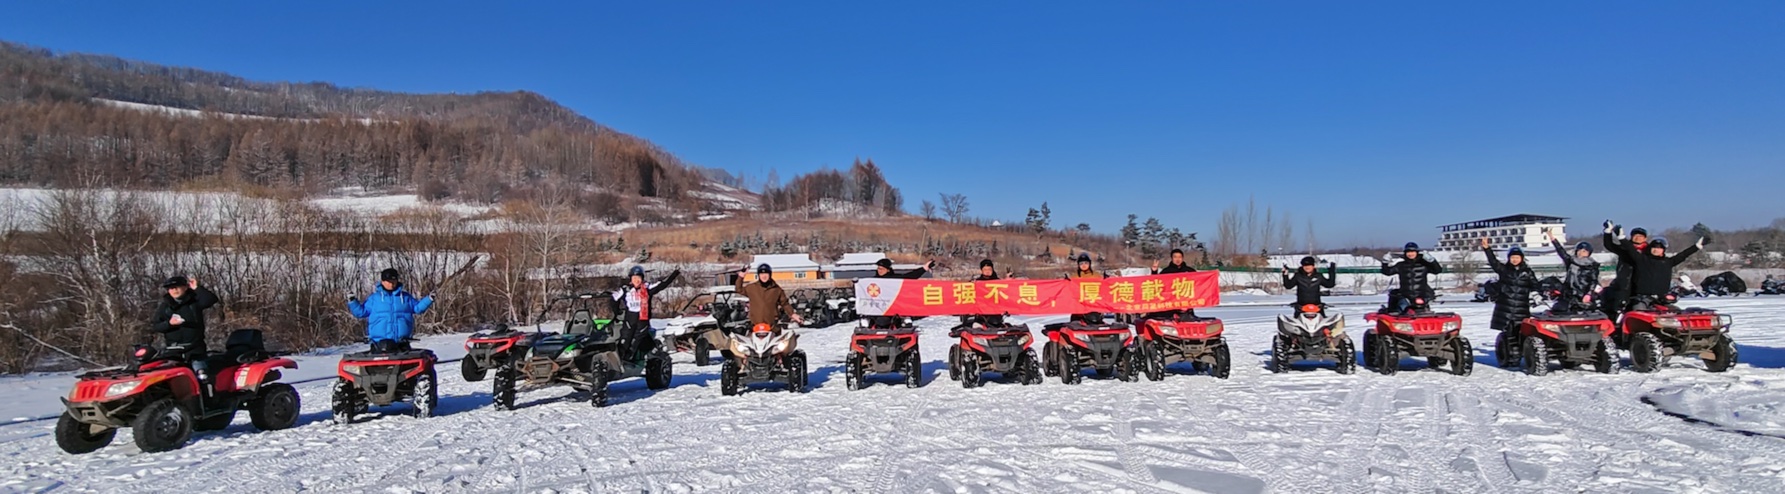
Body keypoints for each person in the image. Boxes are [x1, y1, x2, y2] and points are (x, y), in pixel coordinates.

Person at [349, 268, 434, 353]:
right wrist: (352, 301)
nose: (391, 284)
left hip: (401, 343)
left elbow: (418, 308)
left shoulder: (405, 297)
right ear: (382, 282)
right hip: (379, 343)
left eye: (393, 281)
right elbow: (361, 312)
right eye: (388, 281)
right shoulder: (374, 299)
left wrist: (429, 299)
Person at [1606, 235, 1703, 308]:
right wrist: (1622, 238)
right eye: (1654, 248)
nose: (1656, 250)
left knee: (1675, 313)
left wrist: (1696, 246)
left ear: (1663, 250)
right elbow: (1630, 249)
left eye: (1659, 248)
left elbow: (1683, 255)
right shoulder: (1641, 259)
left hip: (1661, 299)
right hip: (1642, 298)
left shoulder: (1668, 262)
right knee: (1638, 313)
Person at [611, 265, 680, 361]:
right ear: (630, 279)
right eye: (634, 278)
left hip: (642, 320)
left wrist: (675, 274)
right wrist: (616, 312)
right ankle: (619, 360)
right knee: (624, 341)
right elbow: (613, 299)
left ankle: (631, 360)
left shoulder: (647, 288)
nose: (636, 280)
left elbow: (662, 284)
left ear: (642, 278)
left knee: (635, 342)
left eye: (639, 278)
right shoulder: (625, 290)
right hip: (630, 319)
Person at [150, 276, 219, 368]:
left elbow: (211, 300)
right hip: (174, 351)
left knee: (200, 372)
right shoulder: (165, 306)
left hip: (195, 350)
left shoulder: (194, 301)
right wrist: (169, 324)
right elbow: (156, 326)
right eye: (171, 288)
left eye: (177, 287)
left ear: (185, 287)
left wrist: (197, 288)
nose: (174, 290)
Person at [1482, 238, 1537, 335]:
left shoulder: (1527, 272)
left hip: (1521, 308)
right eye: (1512, 257)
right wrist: (1487, 249)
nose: (1515, 260)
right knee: (1507, 334)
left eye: (1517, 257)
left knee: (1522, 333)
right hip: (1505, 308)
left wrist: (1537, 294)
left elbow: (1535, 286)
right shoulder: (1504, 270)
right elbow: (1493, 262)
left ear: (1522, 258)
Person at [1600, 221, 1650, 319]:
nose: (1638, 238)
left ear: (1645, 238)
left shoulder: (1649, 251)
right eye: (1635, 236)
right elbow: (1609, 245)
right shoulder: (1624, 248)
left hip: (1642, 284)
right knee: (1619, 307)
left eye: (1640, 236)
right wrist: (1608, 232)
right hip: (1624, 282)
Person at [1545, 229, 1601, 313]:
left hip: (1582, 295)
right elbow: (1562, 252)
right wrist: (1553, 239)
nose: (1580, 253)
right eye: (1579, 250)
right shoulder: (1571, 261)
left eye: (1584, 251)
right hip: (1569, 294)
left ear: (1588, 253)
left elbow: (1593, 282)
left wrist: (1588, 294)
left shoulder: (1592, 266)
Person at [1380, 242, 1444, 314]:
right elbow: (1387, 272)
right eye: (1408, 252)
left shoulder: (1424, 264)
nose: (1410, 254)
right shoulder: (1401, 265)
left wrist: (1432, 261)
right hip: (1405, 296)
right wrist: (1385, 262)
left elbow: (1437, 270)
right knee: (1398, 312)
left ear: (1417, 252)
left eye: (1413, 252)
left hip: (1421, 295)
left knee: (1424, 313)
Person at [733, 264, 803, 328]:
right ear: (758, 275)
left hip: (772, 325)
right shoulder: (752, 288)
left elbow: (785, 304)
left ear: (770, 274)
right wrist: (741, 276)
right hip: (755, 324)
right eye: (761, 274)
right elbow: (739, 289)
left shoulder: (776, 289)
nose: (764, 276)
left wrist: (792, 314)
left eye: (766, 273)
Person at [868, 258, 934, 327]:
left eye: (882, 269)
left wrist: (924, 268)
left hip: (894, 308)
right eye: (879, 269)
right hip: (878, 308)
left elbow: (910, 276)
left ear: (888, 270)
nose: (880, 271)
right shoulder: (872, 281)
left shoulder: (895, 279)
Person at [959, 259, 1006, 330]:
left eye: (989, 269)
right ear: (981, 270)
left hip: (995, 313)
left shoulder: (998, 282)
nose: (987, 271)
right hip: (980, 313)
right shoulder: (977, 282)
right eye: (985, 269)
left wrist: (1009, 281)